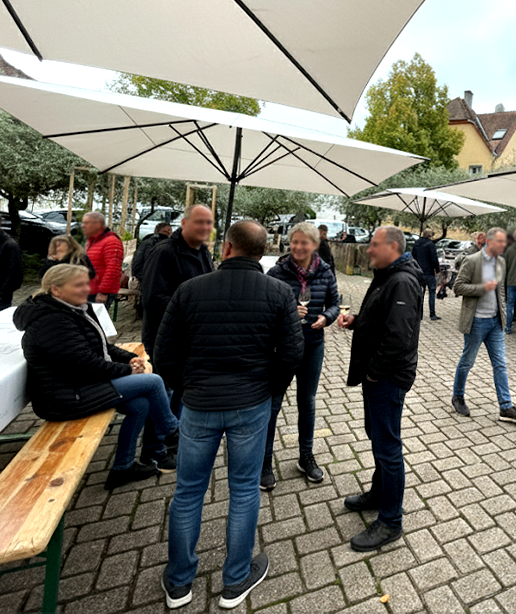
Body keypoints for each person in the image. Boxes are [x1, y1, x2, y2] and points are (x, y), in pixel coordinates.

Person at [154, 221, 303, 610]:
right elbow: (291, 353)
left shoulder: (190, 290)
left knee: (188, 491)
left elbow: (164, 352)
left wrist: (187, 388)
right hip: (250, 404)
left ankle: (179, 581)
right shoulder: (279, 292)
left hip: (200, 404)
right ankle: (235, 581)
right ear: (262, 252)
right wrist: (270, 389)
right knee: (243, 489)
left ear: (226, 248)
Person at [13, 264, 179, 490]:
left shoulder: (77, 308)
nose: (86, 289)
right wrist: (127, 371)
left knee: (140, 405)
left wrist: (130, 358)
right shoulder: (51, 319)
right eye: (79, 285)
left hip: (81, 386)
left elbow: (103, 347)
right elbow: (84, 364)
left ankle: (123, 468)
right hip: (64, 397)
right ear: (56, 290)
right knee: (152, 381)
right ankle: (172, 430)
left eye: (87, 284)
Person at [335, 227, 423, 552]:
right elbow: (382, 318)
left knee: (388, 447)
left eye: (374, 245)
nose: (368, 250)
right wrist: (357, 320)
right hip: (378, 376)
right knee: (377, 436)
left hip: (387, 378)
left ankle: (390, 521)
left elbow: (398, 338)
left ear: (393, 247)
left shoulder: (402, 280)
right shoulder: (388, 274)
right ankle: (378, 494)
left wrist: (373, 373)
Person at [262, 222, 340, 490]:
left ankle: (305, 456)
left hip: (313, 345)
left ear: (314, 245)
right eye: (294, 241)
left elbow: (335, 304)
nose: (297, 247)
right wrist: (288, 315)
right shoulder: (276, 272)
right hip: (281, 348)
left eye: (303, 242)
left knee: (307, 402)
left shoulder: (325, 272)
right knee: (272, 404)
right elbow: (263, 310)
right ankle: (264, 460)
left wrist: (326, 318)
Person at [139, 204, 215, 472]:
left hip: (191, 337)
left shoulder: (203, 252)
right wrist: (195, 307)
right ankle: (152, 452)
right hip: (164, 337)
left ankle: (173, 444)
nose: (205, 228)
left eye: (209, 223)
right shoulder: (164, 253)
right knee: (164, 391)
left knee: (180, 392)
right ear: (184, 223)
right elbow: (153, 299)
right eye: (199, 222)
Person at [451, 228, 516, 424]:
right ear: (489, 241)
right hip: (476, 321)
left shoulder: (501, 261)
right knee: (467, 361)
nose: (504, 246)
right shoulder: (472, 261)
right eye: (500, 242)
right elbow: (457, 287)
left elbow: (500, 290)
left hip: (495, 323)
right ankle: (458, 396)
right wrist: (481, 288)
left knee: (500, 364)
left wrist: (502, 314)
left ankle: (505, 406)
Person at [82, 211, 124, 309]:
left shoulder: (111, 241)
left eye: (87, 223)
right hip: (89, 289)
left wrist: (104, 292)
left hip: (99, 293)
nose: (83, 226)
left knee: (96, 322)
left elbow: (113, 269)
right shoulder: (92, 241)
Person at [412, 229, 441, 321]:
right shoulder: (430, 244)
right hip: (429, 272)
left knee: (420, 293)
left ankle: (419, 314)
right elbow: (434, 258)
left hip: (419, 272)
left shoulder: (416, 243)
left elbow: (413, 257)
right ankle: (432, 313)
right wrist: (437, 268)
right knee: (432, 292)